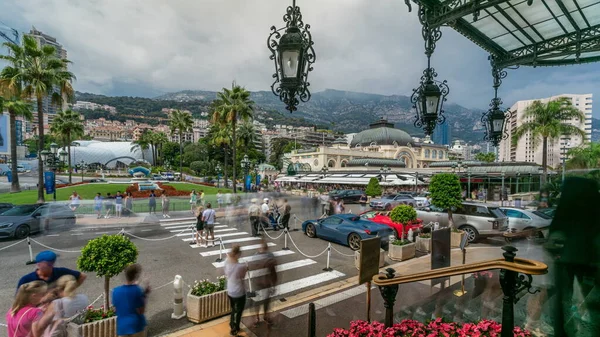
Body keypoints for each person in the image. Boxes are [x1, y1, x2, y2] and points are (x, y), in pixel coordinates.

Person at [547, 177, 600, 336]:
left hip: (566, 260)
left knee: (562, 299)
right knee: (592, 301)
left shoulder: (566, 205)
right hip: (590, 260)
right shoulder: (595, 205)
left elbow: (555, 230)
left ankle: (562, 331)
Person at [112, 264, 150, 337]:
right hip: (136, 326)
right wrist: (145, 295)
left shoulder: (115, 291)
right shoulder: (137, 290)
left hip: (122, 328)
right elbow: (141, 311)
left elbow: (115, 309)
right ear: (136, 276)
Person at [17, 251, 87, 290]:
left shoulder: (61, 271)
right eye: (48, 264)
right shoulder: (27, 279)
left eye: (53, 262)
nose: (52, 265)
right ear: (38, 264)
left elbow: (82, 276)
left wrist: (68, 291)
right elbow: (19, 298)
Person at [224, 245, 247, 336]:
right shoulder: (240, 266)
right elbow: (242, 277)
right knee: (239, 310)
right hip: (239, 292)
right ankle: (235, 328)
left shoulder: (227, 262)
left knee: (233, 309)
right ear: (237, 254)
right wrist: (246, 267)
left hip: (230, 290)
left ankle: (231, 323)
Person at [253, 240, 277, 327]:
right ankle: (258, 317)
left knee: (264, 301)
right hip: (259, 283)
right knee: (258, 301)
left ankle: (262, 316)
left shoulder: (270, 256)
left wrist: (273, 284)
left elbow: (273, 271)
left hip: (265, 283)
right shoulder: (256, 257)